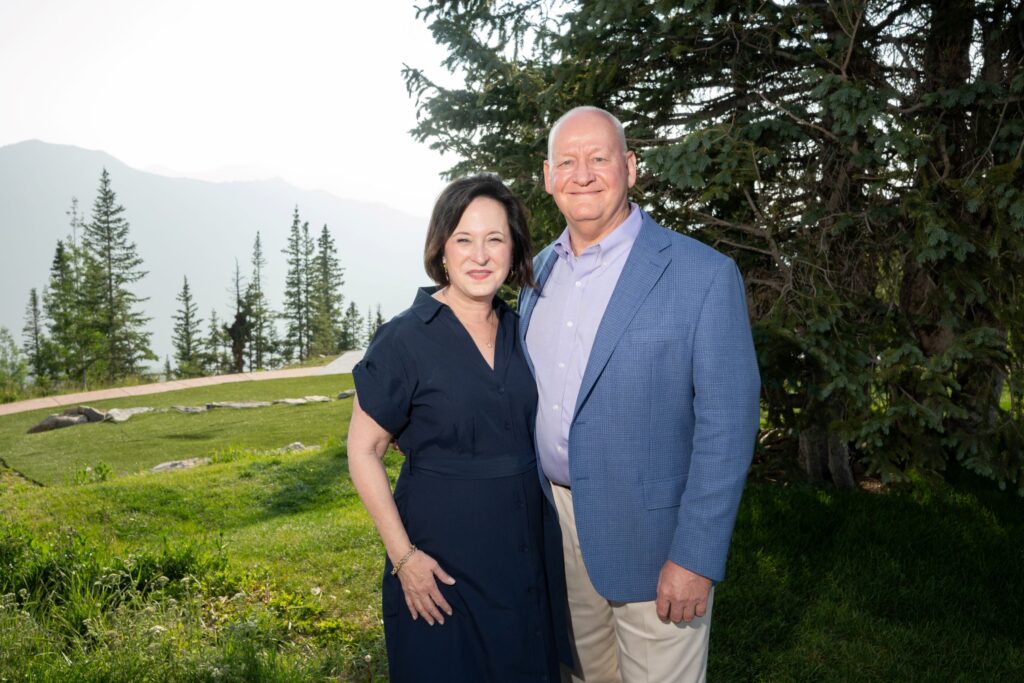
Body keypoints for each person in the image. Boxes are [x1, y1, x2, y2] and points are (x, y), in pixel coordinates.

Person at [519, 106, 761, 682]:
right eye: (568, 162)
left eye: (599, 158)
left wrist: (695, 557)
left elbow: (728, 426)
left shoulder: (703, 275)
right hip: (558, 527)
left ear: (629, 166)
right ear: (548, 176)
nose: (584, 174)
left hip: (656, 544)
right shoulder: (538, 272)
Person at [347, 174, 571, 682]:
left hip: (522, 559)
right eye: (464, 240)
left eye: (495, 239)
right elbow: (363, 451)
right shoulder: (403, 338)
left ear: (514, 252)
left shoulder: (522, 329)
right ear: (441, 249)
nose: (480, 255)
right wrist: (404, 559)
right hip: (439, 566)